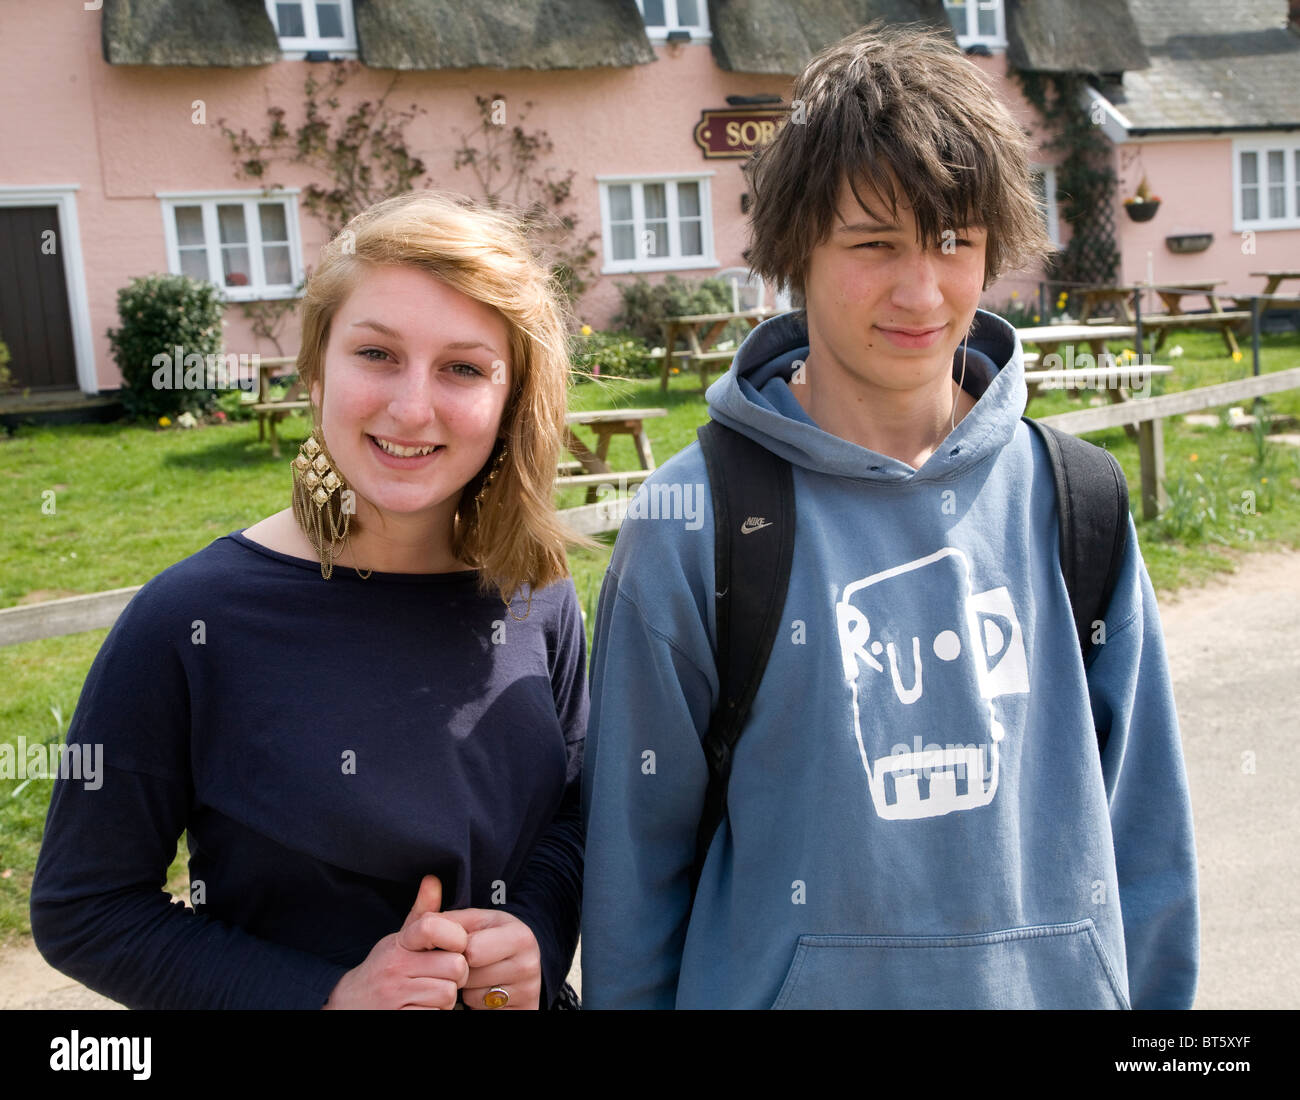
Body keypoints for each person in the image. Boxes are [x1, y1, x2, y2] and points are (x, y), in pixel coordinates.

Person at [580, 23, 1198, 1009]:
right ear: (797, 253)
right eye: (873, 244)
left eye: (953, 242)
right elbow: (630, 875)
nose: (921, 290)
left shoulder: (1077, 501)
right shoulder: (697, 522)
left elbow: (1147, 840)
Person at [30, 190, 591, 1010]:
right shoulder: (191, 619)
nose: (411, 407)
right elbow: (85, 907)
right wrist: (326, 997)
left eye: (464, 368)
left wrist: (535, 933)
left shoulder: (537, 593)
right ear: (315, 366)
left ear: (512, 400)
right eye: (377, 354)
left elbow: (579, 818)